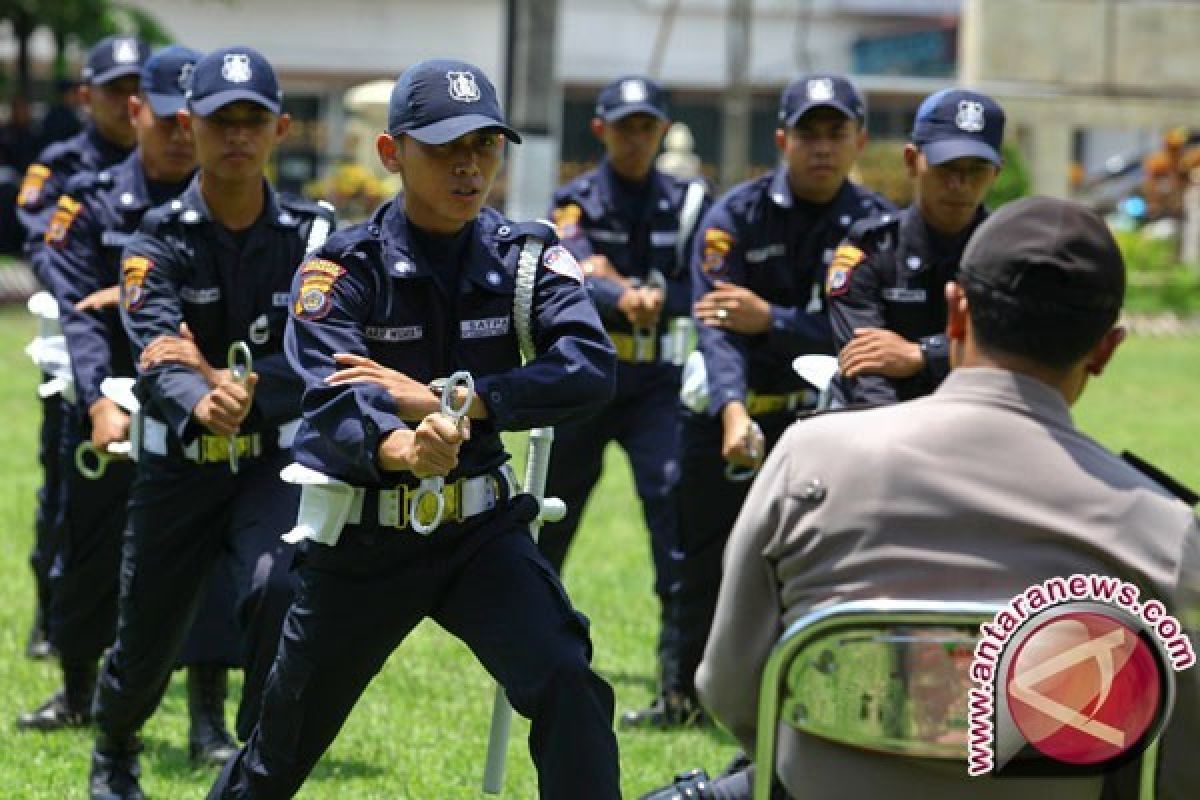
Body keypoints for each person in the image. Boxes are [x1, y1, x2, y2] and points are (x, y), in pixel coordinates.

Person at [208, 58, 621, 800]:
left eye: (485, 146)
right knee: (279, 750)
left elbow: (590, 366)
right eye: (444, 148)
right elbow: (332, 404)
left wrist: (457, 403)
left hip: (479, 532)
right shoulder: (340, 269)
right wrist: (406, 448)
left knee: (569, 683)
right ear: (392, 153)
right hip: (368, 537)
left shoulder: (523, 258)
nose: (469, 167)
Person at [692, 196, 1199, 800]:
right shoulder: (1163, 534)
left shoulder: (813, 462)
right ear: (1105, 349)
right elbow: (1178, 767)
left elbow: (728, 687)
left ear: (956, 312)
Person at [86, 46, 334, 800]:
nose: (236, 135)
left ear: (281, 128)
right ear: (187, 126)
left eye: (252, 120)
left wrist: (246, 396)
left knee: (279, 588)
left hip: (268, 459)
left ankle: (253, 765)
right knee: (147, 638)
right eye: (220, 120)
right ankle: (115, 749)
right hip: (179, 462)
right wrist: (202, 398)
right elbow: (156, 349)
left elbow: (322, 346)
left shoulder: (314, 238)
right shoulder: (154, 240)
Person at [630, 73, 892, 729]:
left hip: (826, 425)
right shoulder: (733, 219)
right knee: (700, 562)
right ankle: (682, 698)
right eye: (809, 133)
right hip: (728, 416)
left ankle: (805, 704)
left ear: (859, 139)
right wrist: (732, 410)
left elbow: (858, 333)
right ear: (783, 139)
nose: (823, 147)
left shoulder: (876, 227)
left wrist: (770, 318)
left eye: (837, 133)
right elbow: (718, 326)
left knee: (820, 565)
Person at [21, 45, 245, 767]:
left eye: (194, 118)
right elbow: (77, 309)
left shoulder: (224, 206)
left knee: (206, 565)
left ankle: (208, 719)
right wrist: (95, 404)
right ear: (139, 112)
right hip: (105, 401)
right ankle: (78, 689)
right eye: (168, 116)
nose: (183, 132)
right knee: (86, 556)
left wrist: (136, 292)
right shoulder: (88, 200)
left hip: (193, 406)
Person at [543, 75, 709, 706]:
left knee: (672, 509)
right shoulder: (575, 200)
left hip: (657, 385)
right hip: (587, 378)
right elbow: (570, 267)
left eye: (647, 127)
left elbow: (708, 283)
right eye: (624, 127)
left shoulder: (691, 201)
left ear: (662, 130)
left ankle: (676, 684)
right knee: (550, 515)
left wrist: (657, 296)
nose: (636, 139)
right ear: (600, 130)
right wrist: (616, 291)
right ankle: (534, 651)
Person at [17, 35, 149, 661]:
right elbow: (42, 243)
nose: (131, 100)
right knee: (68, 490)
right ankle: (53, 614)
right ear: (84, 95)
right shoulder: (62, 164)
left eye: (140, 88)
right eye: (118, 87)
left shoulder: (176, 164)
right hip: (78, 352)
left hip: (151, 349)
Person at [829, 89, 1005, 406]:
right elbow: (868, 372)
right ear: (912, 161)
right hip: (882, 426)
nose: (959, 184)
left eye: (976, 169)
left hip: (979, 424)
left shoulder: (1010, 257)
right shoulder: (870, 250)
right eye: (946, 166)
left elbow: (1015, 356)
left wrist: (922, 354)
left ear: (996, 173)